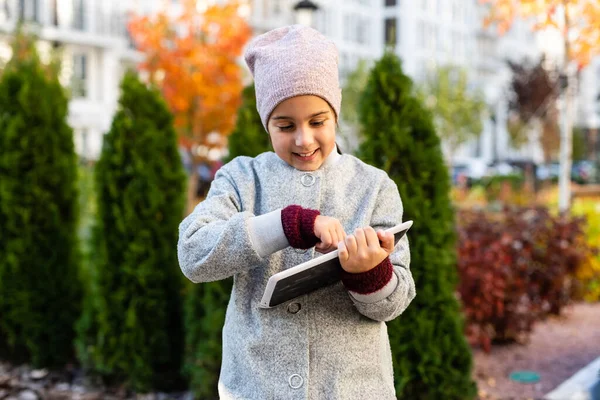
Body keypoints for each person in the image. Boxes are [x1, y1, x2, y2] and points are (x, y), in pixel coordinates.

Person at [177, 25, 416, 399]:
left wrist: (369, 274)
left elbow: (395, 301)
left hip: (352, 389)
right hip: (256, 387)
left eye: (317, 122)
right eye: (285, 125)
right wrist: (286, 225)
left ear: (335, 114)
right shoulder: (242, 178)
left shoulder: (374, 186)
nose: (303, 139)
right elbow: (193, 255)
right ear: (266, 123)